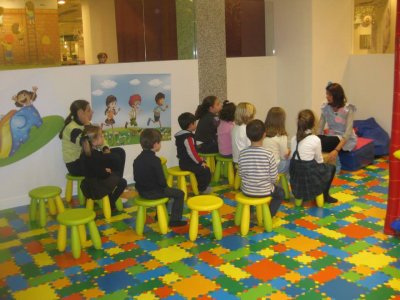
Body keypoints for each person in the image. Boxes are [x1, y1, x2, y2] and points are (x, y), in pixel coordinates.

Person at [133, 129, 187, 227]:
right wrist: (166, 187)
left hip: (142, 191)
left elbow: (136, 178)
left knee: (165, 190)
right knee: (179, 193)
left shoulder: (137, 159)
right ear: (155, 145)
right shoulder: (155, 160)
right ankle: (175, 220)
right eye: (160, 142)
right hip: (153, 192)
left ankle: (159, 215)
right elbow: (161, 181)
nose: (160, 144)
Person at [59, 99, 126, 177]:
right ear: (81, 113)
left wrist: (105, 148)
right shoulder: (71, 129)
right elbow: (88, 142)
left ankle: (116, 181)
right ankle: (111, 183)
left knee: (120, 152)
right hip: (76, 165)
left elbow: (98, 139)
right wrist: (87, 123)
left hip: (87, 158)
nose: (92, 111)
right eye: (89, 110)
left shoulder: (86, 125)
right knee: (115, 158)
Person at [290, 109, 338, 203]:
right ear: (313, 124)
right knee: (331, 168)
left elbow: (292, 156)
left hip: (296, 175)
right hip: (310, 175)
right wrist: (327, 159)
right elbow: (319, 160)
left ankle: (300, 197)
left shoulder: (293, 138)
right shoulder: (315, 139)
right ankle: (325, 195)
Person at [238, 119, 283, 217]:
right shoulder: (268, 154)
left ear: (247, 135)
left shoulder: (242, 153)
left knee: (248, 186)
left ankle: (249, 212)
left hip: (246, 190)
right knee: (280, 192)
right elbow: (274, 178)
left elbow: (240, 174)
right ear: (264, 135)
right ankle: (269, 215)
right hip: (264, 191)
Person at [80, 125, 127, 211]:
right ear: (94, 141)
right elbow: (103, 175)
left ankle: (110, 200)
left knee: (112, 177)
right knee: (122, 182)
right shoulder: (95, 155)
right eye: (101, 136)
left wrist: (104, 170)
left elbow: (94, 170)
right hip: (97, 189)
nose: (103, 137)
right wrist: (107, 172)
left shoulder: (84, 154)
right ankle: (111, 202)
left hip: (87, 186)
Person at [317, 82, 357, 162]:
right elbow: (320, 127)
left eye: (329, 95)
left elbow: (348, 133)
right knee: (315, 139)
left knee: (328, 142)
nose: (327, 97)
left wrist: (336, 150)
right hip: (331, 135)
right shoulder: (326, 107)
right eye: (327, 94)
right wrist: (316, 139)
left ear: (337, 96)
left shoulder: (348, 109)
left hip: (344, 139)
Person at [175, 112, 212, 194]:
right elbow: (192, 152)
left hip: (184, 162)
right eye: (194, 123)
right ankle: (202, 188)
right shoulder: (188, 137)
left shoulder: (181, 136)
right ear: (190, 125)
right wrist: (200, 162)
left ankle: (199, 182)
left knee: (203, 165)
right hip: (188, 163)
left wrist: (200, 160)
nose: (195, 125)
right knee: (205, 169)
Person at [263, 107, 290, 175]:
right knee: (291, 158)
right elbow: (284, 156)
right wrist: (289, 151)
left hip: (262, 166)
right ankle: (288, 181)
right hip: (275, 168)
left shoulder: (262, 132)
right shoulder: (281, 135)